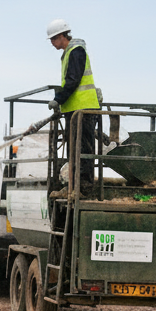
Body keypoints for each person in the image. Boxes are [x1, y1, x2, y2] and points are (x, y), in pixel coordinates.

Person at [45, 19, 99, 186]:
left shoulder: (76, 51)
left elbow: (73, 80)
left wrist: (58, 99)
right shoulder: (70, 52)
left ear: (61, 36)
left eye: (53, 39)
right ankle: (74, 186)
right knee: (74, 151)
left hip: (83, 109)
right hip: (75, 110)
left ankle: (83, 187)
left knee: (82, 150)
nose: (52, 43)